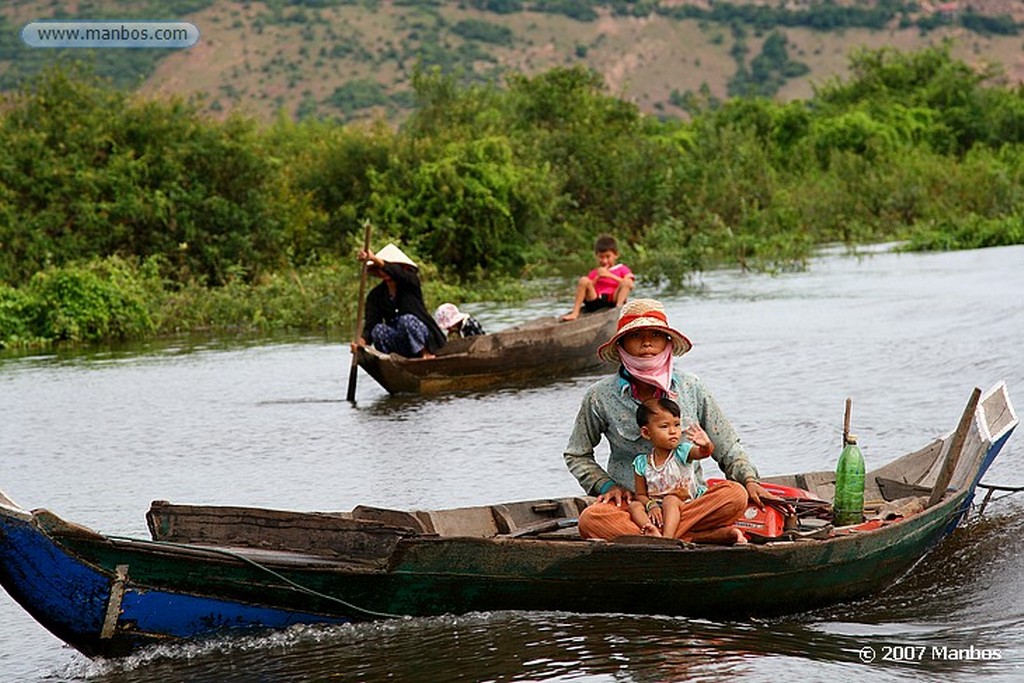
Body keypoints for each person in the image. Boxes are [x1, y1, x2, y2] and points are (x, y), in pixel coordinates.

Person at [563, 298, 790, 545]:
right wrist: (606, 486)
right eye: (636, 334)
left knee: (734, 495)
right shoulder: (600, 396)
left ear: (667, 342)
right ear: (621, 344)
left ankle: (661, 538)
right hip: (634, 508)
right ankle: (696, 536)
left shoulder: (691, 386)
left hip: (690, 503)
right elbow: (577, 454)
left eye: (656, 334)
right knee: (591, 520)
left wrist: (749, 480)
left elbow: (726, 446)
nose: (647, 342)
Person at [627, 397, 737, 540]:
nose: (673, 431)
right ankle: (653, 531)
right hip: (658, 512)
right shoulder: (641, 463)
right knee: (634, 506)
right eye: (664, 426)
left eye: (677, 425)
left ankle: (666, 539)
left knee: (671, 500)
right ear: (646, 433)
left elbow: (704, 453)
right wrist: (651, 506)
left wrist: (706, 444)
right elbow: (640, 494)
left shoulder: (682, 452)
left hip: (686, 506)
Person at [351, 243, 447, 359]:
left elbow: (397, 273)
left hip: (426, 339)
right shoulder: (375, 295)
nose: (383, 271)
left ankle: (425, 354)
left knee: (406, 320)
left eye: (387, 267)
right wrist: (361, 344)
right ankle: (396, 359)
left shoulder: (410, 282)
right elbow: (371, 324)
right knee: (378, 330)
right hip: (400, 343)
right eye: (380, 268)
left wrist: (374, 259)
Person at [561, 234, 634, 322]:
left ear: (616, 255)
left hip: (613, 299)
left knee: (626, 282)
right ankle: (575, 312)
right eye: (601, 257)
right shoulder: (595, 272)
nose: (604, 261)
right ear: (596, 256)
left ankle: (618, 309)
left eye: (608, 257)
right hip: (596, 300)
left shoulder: (622, 268)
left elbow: (630, 284)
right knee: (584, 280)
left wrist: (609, 275)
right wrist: (597, 277)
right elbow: (587, 288)